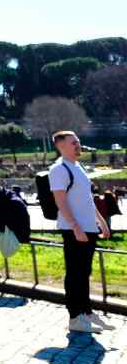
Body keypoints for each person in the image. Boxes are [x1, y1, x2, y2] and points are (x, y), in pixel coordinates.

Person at [49, 132, 116, 333]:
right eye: (73, 143)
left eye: (78, 142)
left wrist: (101, 222)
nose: (78, 145)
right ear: (61, 146)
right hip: (74, 229)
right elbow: (60, 200)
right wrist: (75, 226)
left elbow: (87, 199)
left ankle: (86, 312)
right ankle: (75, 317)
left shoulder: (78, 167)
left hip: (88, 227)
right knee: (75, 273)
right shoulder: (59, 169)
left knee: (84, 272)